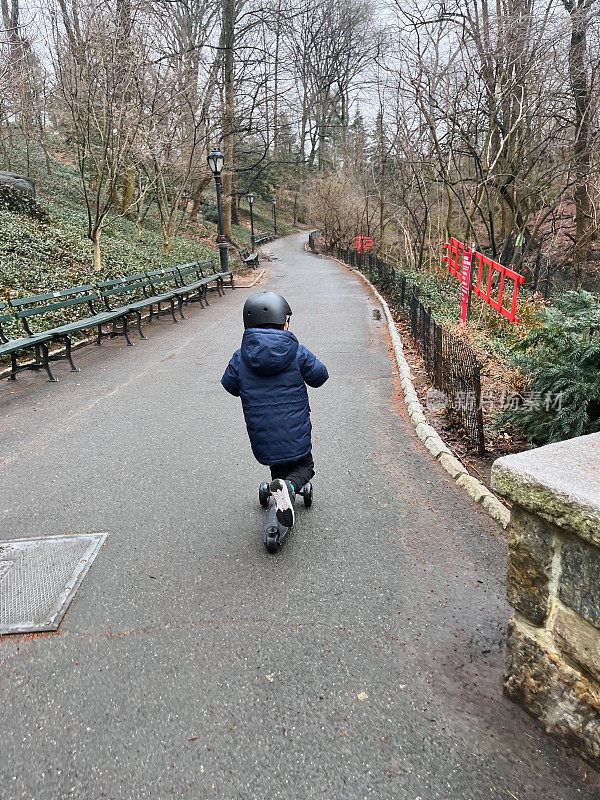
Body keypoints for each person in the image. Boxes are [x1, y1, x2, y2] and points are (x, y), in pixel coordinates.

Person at [221, 291, 328, 527]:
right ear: (285, 323)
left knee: (277, 462)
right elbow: (320, 377)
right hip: (295, 431)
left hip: (262, 433)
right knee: (304, 466)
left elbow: (229, 385)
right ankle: (288, 489)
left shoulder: (240, 357)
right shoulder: (297, 352)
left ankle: (279, 489)